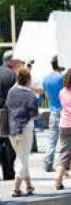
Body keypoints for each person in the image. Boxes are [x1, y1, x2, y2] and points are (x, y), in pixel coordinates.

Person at [6, 68, 38, 197]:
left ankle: (29, 185)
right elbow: (34, 113)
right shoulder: (30, 95)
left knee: (21, 156)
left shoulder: (11, 92)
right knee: (22, 158)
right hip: (25, 128)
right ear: (28, 80)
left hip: (12, 129)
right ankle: (16, 188)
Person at [43, 56, 64, 172]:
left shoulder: (46, 79)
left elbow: (46, 96)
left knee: (52, 138)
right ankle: (63, 164)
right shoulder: (63, 78)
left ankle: (48, 163)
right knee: (64, 139)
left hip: (53, 110)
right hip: (64, 110)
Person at [0, 50, 18, 180]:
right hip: (7, 112)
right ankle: (8, 172)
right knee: (8, 143)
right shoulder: (12, 75)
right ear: (10, 60)